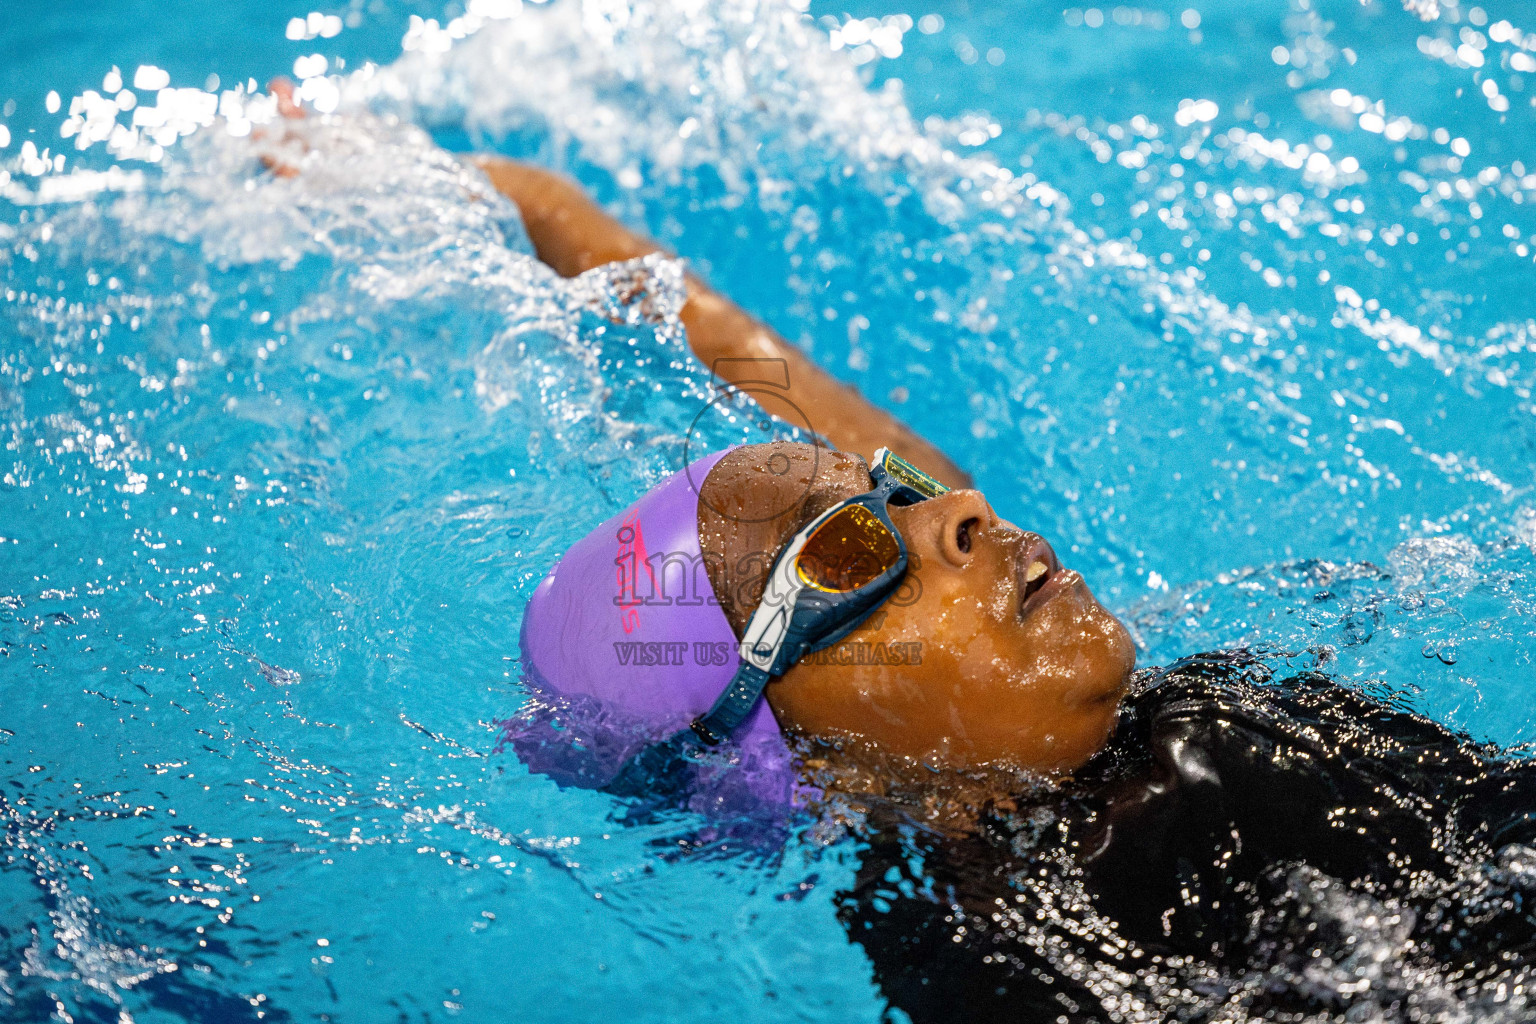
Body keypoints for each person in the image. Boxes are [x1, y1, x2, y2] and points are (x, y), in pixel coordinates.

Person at [265, 82, 1536, 1019]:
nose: (961, 513)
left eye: (902, 491)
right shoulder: (1034, 970)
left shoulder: (1088, 719)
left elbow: (773, 383)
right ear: (802, 766)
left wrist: (525, 202)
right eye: (857, 549)